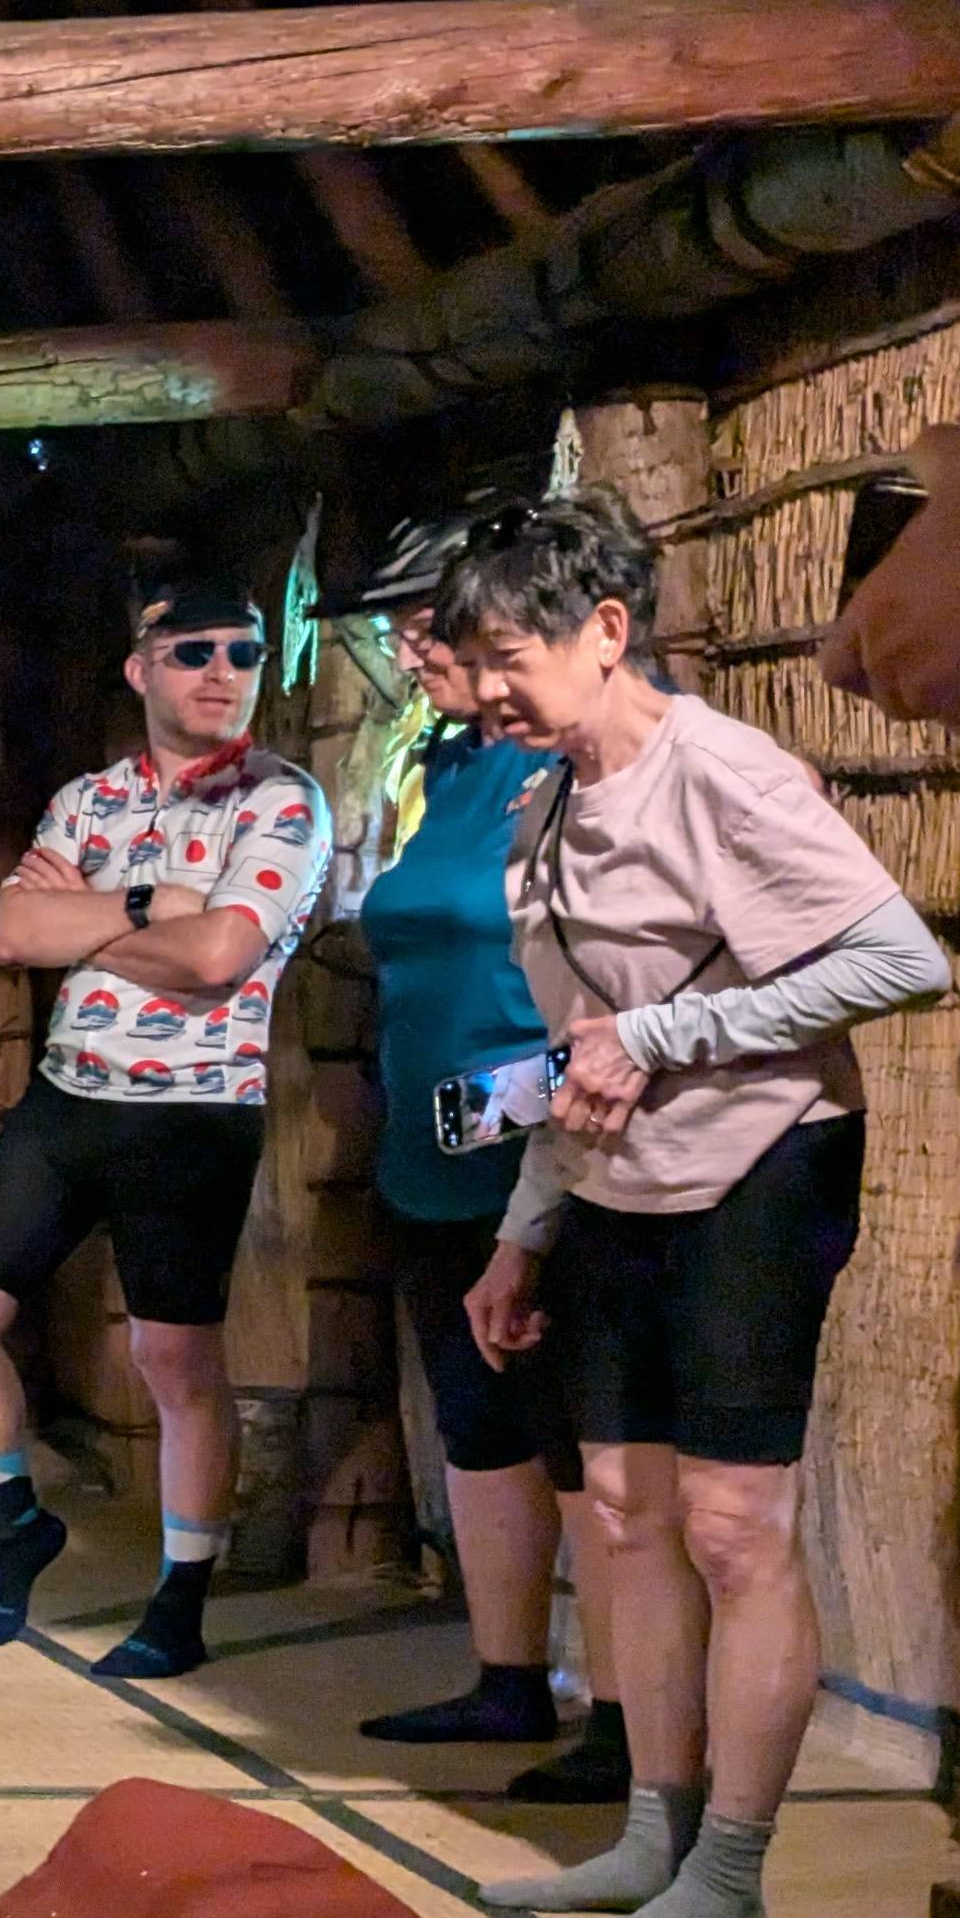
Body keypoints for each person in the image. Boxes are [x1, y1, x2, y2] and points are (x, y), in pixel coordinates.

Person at [447, 494, 949, 1918]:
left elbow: (898, 957)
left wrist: (677, 1026)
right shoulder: (539, 809)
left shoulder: (725, 774)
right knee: (620, 1512)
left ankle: (728, 1876)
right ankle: (652, 1840)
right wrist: (523, 1232)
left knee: (735, 1525)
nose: (484, 692)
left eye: (504, 657)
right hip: (612, 1189)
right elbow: (574, 1052)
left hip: (761, 1169)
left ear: (606, 630)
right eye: (466, 662)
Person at [0, 569, 329, 1678]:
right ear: (143, 669)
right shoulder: (89, 800)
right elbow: (7, 928)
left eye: (242, 654)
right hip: (69, 1097)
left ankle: (179, 1601)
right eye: (194, 653)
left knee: (175, 1359)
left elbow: (220, 958)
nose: (222, 674)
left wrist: (81, 926)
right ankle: (16, 1523)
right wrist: (148, 907)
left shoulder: (282, 801)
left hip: (195, 1114)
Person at [337, 514, 629, 1800]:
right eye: (398, 622)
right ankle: (507, 1678)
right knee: (481, 1426)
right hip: (429, 1163)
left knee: (587, 1447)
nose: (411, 646)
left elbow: (637, 999)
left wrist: (501, 1110)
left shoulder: (574, 762)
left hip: (550, 1153)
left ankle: (626, 1713)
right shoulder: (457, 766)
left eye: (429, 617)